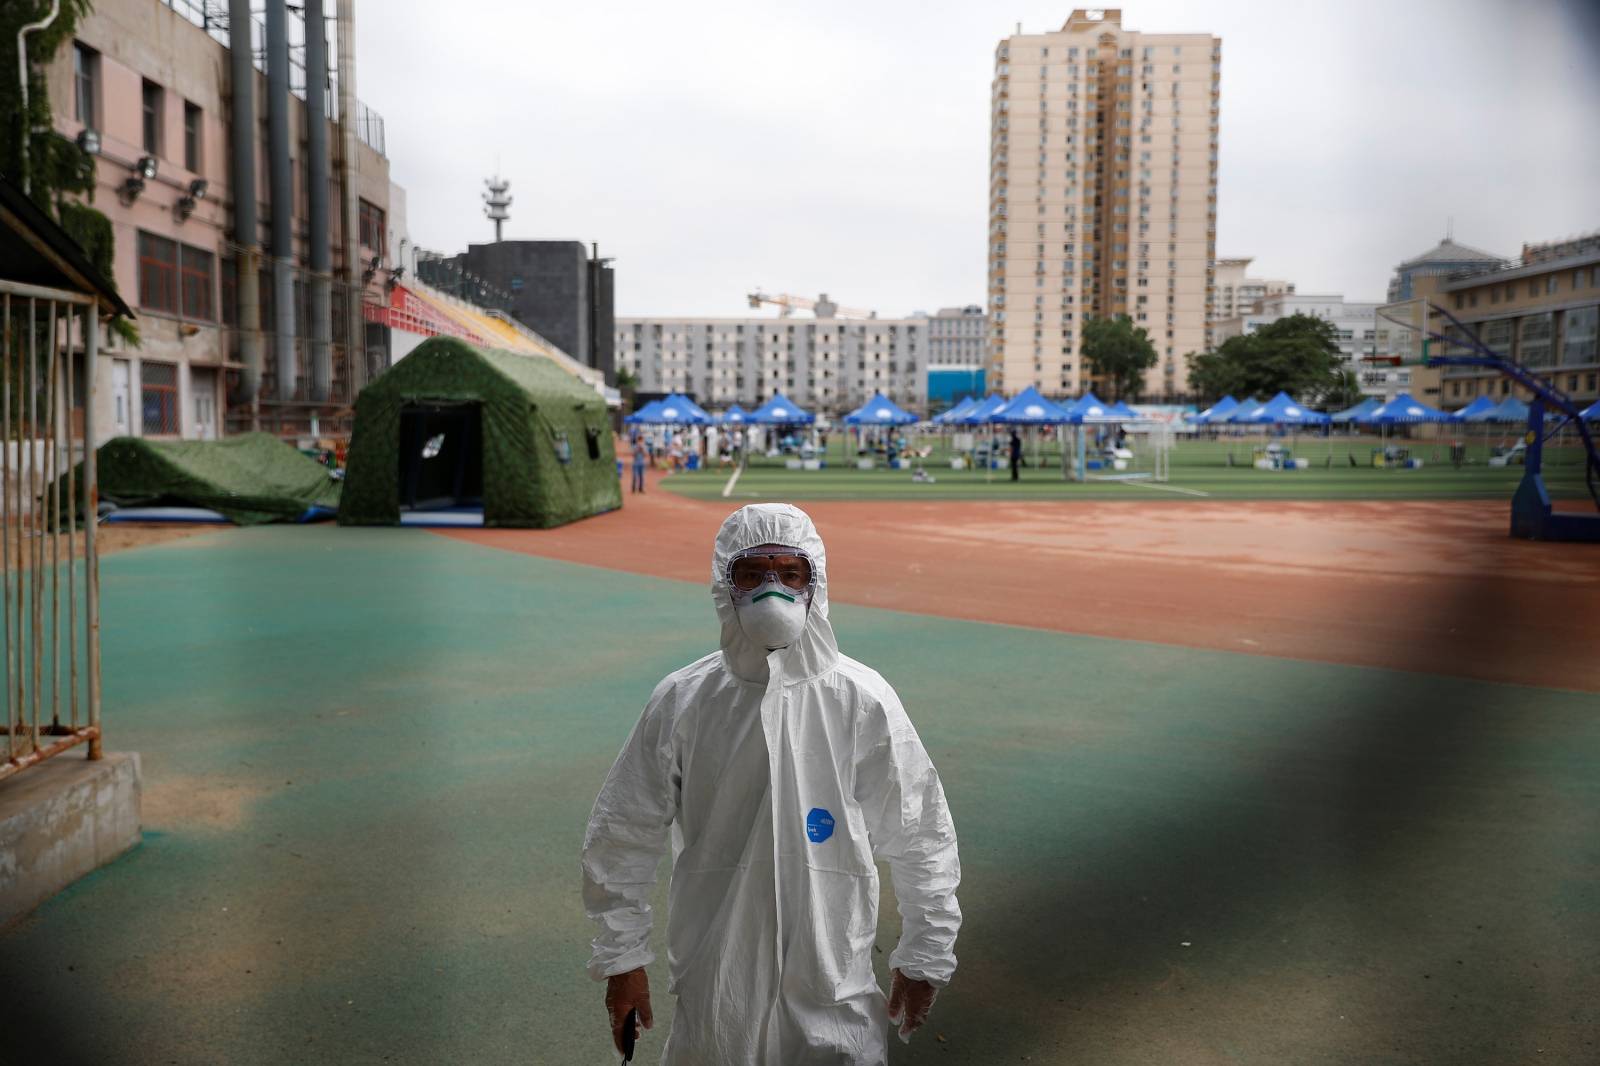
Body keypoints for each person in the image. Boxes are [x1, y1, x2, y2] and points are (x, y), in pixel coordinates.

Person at [582, 504, 961, 1064]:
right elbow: (623, 832)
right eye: (752, 573)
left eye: (791, 573)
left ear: (817, 583)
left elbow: (919, 832)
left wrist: (925, 952)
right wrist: (622, 961)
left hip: (834, 978)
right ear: (723, 584)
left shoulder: (862, 699)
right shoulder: (685, 701)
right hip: (717, 977)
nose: (772, 590)